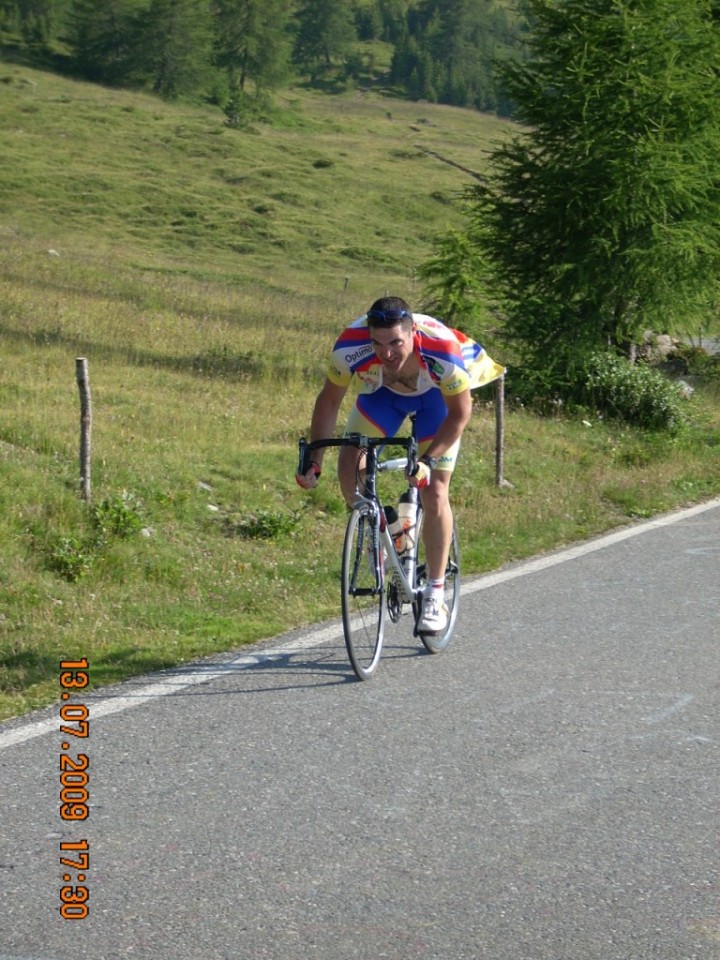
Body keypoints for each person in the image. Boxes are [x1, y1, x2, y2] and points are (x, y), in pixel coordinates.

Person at [296, 296, 503, 633]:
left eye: (396, 343)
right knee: (349, 465)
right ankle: (388, 530)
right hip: (383, 396)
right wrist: (314, 459)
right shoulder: (350, 344)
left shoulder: (441, 349)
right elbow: (329, 399)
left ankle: (435, 594)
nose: (387, 353)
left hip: (438, 401)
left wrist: (428, 460)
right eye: (378, 343)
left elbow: (460, 414)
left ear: (413, 333)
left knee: (434, 489)